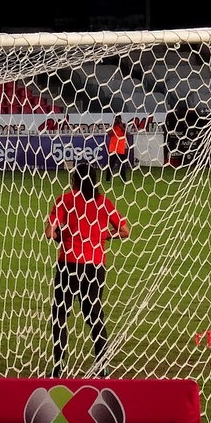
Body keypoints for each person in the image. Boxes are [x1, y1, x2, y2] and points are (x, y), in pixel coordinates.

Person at [45, 162, 129, 378]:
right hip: (95, 265)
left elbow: (49, 232)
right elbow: (125, 231)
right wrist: (104, 235)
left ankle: (59, 365)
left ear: (74, 180)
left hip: (69, 264)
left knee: (60, 314)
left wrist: (60, 236)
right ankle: (102, 364)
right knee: (94, 314)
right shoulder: (103, 202)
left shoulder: (65, 200)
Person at [105, 113, 132, 183]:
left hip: (121, 148)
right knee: (111, 164)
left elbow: (127, 134)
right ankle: (108, 179)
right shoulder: (112, 126)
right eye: (115, 119)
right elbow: (109, 134)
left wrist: (120, 126)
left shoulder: (123, 125)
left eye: (118, 119)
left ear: (120, 119)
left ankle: (124, 179)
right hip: (113, 148)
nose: (116, 120)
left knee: (122, 165)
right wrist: (113, 126)